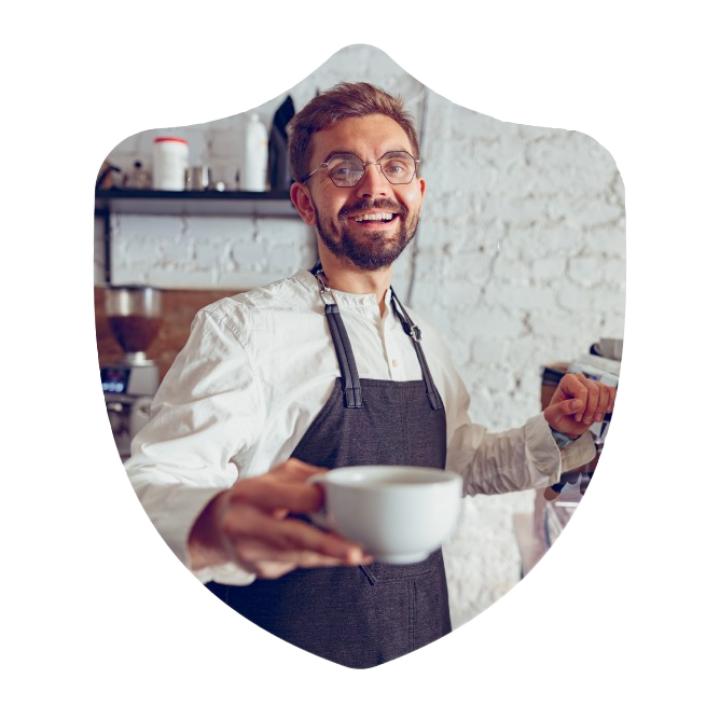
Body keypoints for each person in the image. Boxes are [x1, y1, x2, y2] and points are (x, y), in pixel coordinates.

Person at [124, 82, 616, 669]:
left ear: (419, 192)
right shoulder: (244, 332)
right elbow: (151, 484)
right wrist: (211, 525)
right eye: (342, 169)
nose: (374, 186)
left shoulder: (425, 341)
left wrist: (555, 432)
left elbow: (456, 463)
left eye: (394, 165)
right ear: (305, 203)